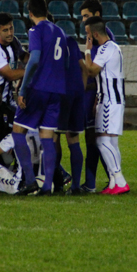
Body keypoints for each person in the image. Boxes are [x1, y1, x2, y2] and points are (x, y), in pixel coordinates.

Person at [11, 0, 68, 196]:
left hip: (38, 88)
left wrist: (24, 89)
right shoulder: (60, 32)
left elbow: (34, 59)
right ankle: (47, 187)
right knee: (47, 137)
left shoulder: (35, 30)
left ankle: (29, 181)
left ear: (30, 13)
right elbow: (65, 63)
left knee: (18, 131)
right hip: (57, 90)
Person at [83, 16, 129, 195]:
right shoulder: (113, 47)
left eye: (88, 34)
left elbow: (91, 70)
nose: (87, 38)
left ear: (95, 34)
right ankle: (113, 183)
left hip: (110, 100)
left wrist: (87, 52)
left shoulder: (105, 48)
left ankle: (119, 179)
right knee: (111, 143)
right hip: (112, 99)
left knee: (101, 140)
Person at [79, 0, 114, 192]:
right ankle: (110, 179)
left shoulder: (103, 38)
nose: (83, 20)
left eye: (86, 16)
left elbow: (94, 70)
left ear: (97, 15)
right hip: (92, 93)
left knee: (94, 139)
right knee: (94, 138)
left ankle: (100, 181)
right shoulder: (99, 37)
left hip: (95, 94)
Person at [56, 34, 86, 195]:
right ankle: (75, 186)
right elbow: (84, 68)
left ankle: (56, 184)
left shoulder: (48, 40)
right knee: (74, 140)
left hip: (60, 92)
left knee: (53, 137)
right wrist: (81, 89)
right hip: (77, 93)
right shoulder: (71, 41)